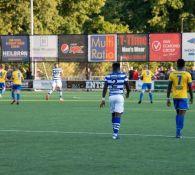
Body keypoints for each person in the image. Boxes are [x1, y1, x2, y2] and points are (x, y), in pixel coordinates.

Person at [100, 62, 130, 140]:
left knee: (113, 114)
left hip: (111, 97)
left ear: (112, 68)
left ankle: (115, 133)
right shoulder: (123, 75)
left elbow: (105, 88)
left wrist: (103, 99)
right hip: (119, 96)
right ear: (119, 68)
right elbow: (128, 87)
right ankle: (115, 134)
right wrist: (128, 93)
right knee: (118, 114)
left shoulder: (108, 76)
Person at [167, 59, 193, 138]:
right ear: (184, 65)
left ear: (177, 65)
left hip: (175, 97)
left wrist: (168, 98)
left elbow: (169, 87)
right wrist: (192, 97)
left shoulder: (172, 74)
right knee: (182, 114)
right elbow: (190, 87)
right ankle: (178, 132)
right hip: (183, 97)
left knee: (178, 114)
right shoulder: (187, 74)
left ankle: (178, 131)